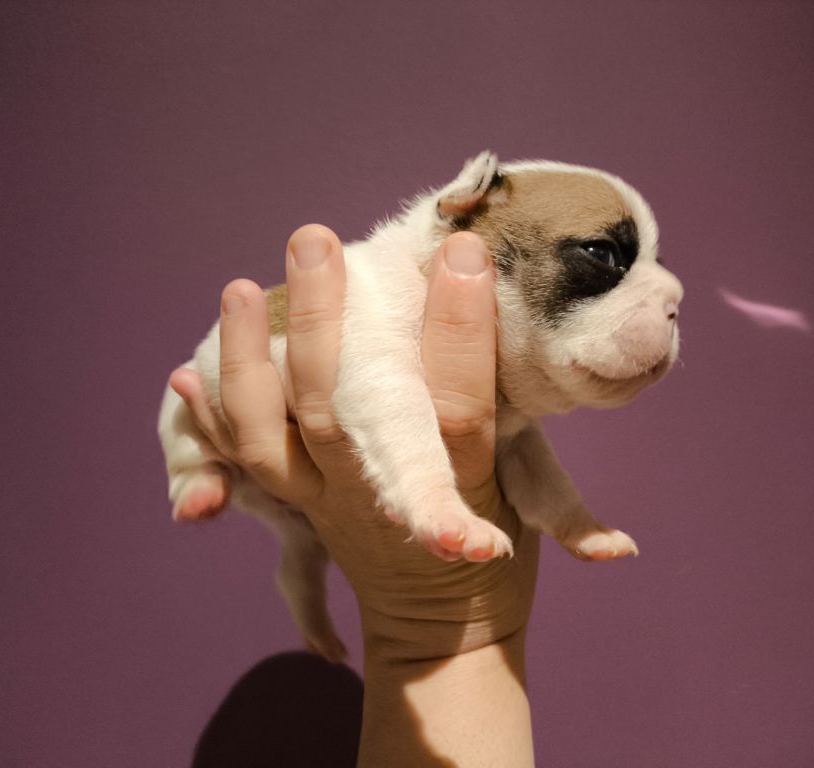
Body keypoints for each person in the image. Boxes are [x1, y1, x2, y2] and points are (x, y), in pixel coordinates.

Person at [170, 224, 539, 767]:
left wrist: (432, 622)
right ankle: (193, 473)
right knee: (188, 407)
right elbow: (378, 390)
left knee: (302, 545)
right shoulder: (389, 301)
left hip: (296, 471)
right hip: (241, 432)